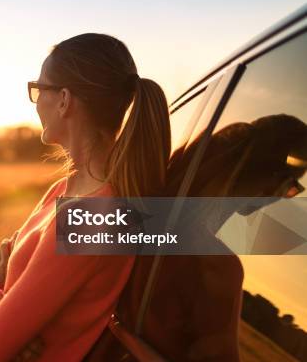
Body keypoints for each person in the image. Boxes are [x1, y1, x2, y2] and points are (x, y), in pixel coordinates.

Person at [0, 33, 172, 361]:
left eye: (38, 89)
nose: (35, 102)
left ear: (63, 99)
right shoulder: (63, 191)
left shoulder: (88, 221)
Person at [85, 114, 307, 361]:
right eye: (292, 187)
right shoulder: (217, 267)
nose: (284, 195)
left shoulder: (128, 209)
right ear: (270, 182)